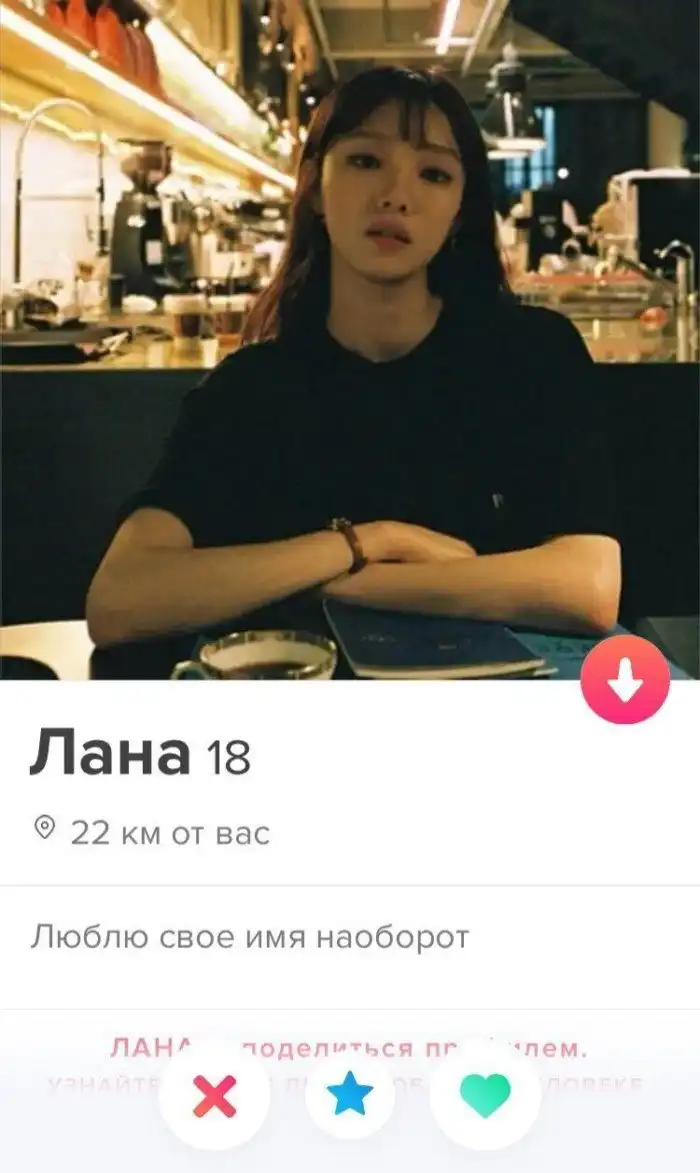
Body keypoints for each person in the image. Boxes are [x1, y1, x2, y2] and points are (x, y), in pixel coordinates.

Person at [86, 67, 621, 650]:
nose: (396, 195)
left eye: (434, 174)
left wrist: (332, 584)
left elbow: (588, 588)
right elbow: (119, 600)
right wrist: (372, 540)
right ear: (316, 188)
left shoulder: (531, 357)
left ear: (461, 211)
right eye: (366, 161)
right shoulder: (253, 389)